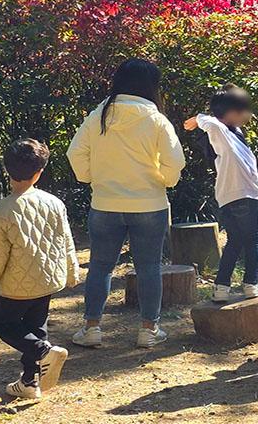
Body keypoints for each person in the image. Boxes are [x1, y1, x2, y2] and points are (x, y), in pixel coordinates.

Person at [68, 58, 185, 349]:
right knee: (149, 268)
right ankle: (149, 329)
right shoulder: (155, 118)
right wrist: (164, 180)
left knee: (100, 266)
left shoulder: (100, 115)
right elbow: (175, 161)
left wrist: (92, 177)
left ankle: (92, 327)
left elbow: (75, 153)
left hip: (105, 203)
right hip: (149, 204)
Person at [0, 138, 79, 399]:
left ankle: (44, 352)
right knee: (35, 327)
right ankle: (30, 382)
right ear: (39, 171)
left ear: (7, 170)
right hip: (46, 281)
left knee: (6, 326)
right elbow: (65, 240)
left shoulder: (0, 211)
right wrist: (71, 271)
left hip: (16, 287)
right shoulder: (54, 203)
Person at [183, 84, 258, 302]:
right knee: (253, 240)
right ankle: (251, 284)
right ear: (229, 113)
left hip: (230, 197)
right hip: (244, 197)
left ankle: (221, 288)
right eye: (242, 110)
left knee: (235, 241)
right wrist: (197, 119)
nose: (246, 115)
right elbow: (209, 122)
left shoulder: (235, 136)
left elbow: (247, 167)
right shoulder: (221, 131)